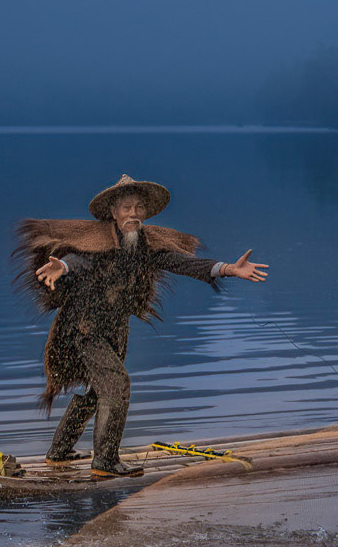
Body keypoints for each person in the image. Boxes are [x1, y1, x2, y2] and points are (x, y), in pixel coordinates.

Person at [15, 175, 267, 477]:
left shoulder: (147, 246)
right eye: (126, 208)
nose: (132, 214)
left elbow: (181, 262)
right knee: (117, 384)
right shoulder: (95, 242)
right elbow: (79, 260)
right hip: (83, 328)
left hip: (115, 329)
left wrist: (228, 269)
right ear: (113, 212)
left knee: (100, 389)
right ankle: (106, 462)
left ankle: (59, 452)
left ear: (145, 213)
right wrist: (63, 266)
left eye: (138, 208)